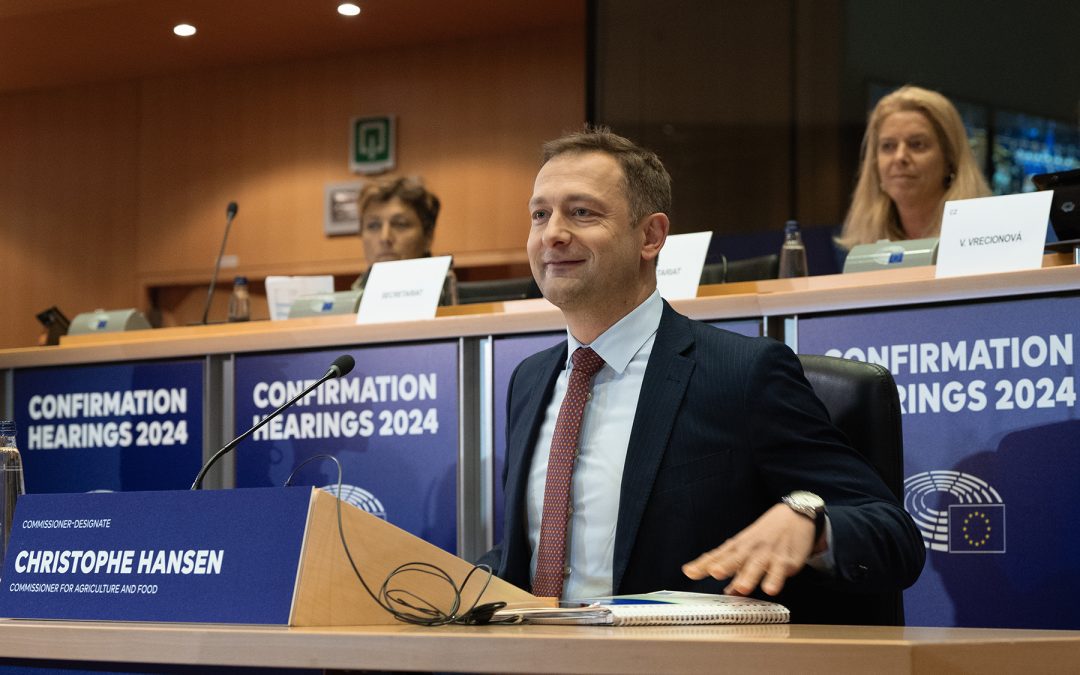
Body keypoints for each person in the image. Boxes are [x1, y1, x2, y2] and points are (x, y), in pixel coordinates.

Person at [478, 126, 925, 625]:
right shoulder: (530, 380)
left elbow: (893, 533)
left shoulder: (743, 373)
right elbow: (531, 555)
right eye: (540, 214)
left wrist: (810, 522)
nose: (553, 233)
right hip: (527, 660)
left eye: (582, 213)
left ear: (651, 236)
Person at [838, 85, 990, 250]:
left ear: (950, 159)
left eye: (917, 144)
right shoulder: (865, 247)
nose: (900, 157)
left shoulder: (983, 239)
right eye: (888, 146)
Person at [352, 176, 456, 304]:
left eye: (400, 224)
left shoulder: (455, 300)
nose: (385, 238)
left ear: (428, 236)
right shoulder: (348, 303)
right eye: (373, 225)